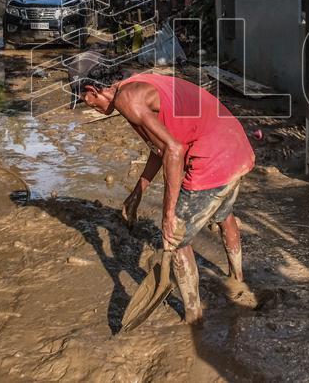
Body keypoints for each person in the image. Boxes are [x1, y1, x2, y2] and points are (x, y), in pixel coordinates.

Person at [68, 53, 255, 325]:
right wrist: (138, 191)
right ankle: (239, 281)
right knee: (223, 214)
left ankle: (194, 318)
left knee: (175, 238)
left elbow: (174, 149)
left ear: (92, 89)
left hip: (212, 158)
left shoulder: (127, 100)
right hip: (235, 146)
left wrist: (169, 215)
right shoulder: (135, 84)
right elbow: (160, 147)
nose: (88, 105)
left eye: (84, 99)